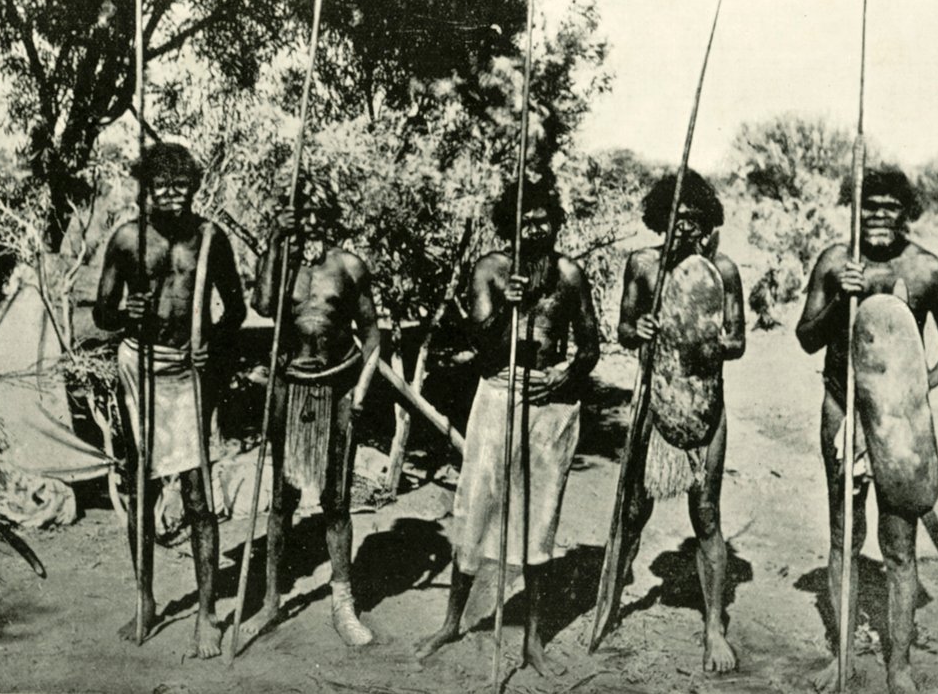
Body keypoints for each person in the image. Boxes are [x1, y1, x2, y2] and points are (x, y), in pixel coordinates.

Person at [415, 178, 600, 675]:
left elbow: (590, 345)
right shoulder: (490, 270)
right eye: (526, 218)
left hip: (552, 406)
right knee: (476, 507)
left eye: (544, 218)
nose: (535, 226)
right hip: (498, 393)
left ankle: (533, 641)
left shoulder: (570, 275)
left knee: (539, 522)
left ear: (557, 223)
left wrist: (565, 373)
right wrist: (507, 309)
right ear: (510, 224)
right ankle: (453, 621)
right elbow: (480, 343)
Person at [796, 166, 938, 694]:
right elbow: (806, 337)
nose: (877, 215)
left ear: (906, 211)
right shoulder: (834, 261)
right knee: (844, 537)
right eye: (868, 204)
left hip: (898, 421)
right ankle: (843, 655)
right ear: (854, 206)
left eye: (889, 206)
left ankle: (900, 667)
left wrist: (916, 390)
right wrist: (834, 301)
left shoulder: (925, 270)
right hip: (841, 410)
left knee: (898, 545)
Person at [94, 142, 247, 658]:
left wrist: (214, 347)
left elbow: (237, 311)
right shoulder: (126, 240)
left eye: (181, 185)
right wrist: (126, 312)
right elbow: (102, 314)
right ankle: (145, 599)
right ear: (146, 189)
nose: (171, 194)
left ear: (193, 188)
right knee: (141, 484)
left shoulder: (209, 240)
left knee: (198, 492)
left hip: (187, 371)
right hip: (139, 366)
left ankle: (206, 615)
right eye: (161, 185)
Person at [616, 170, 745, 673]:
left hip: (705, 404)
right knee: (632, 510)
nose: (684, 228)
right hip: (654, 399)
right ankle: (612, 596)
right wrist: (640, 327)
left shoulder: (722, 272)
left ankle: (714, 628)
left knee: (707, 515)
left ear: (706, 223)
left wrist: (709, 342)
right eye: (675, 218)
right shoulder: (643, 266)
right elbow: (624, 329)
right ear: (659, 219)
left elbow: (737, 341)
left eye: (693, 220)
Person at [245, 177, 381, 646]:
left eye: (316, 214)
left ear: (329, 216)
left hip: (338, 386)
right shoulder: (279, 265)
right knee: (281, 499)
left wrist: (361, 389)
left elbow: (373, 334)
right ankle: (269, 601)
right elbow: (262, 305)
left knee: (337, 500)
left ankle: (343, 604)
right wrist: (274, 243)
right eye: (299, 214)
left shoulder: (347, 266)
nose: (309, 223)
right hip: (289, 386)